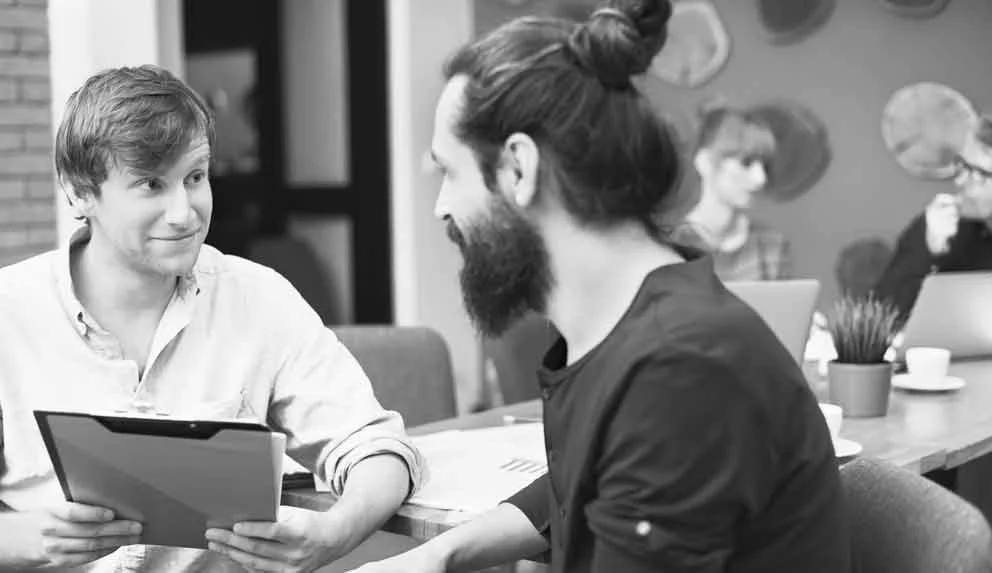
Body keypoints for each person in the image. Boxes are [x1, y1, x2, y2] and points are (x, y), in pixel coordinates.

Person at [351, 1, 849, 571]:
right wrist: (439, 555)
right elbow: (575, 487)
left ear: (518, 169)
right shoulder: (623, 326)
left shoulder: (680, 370)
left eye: (449, 172)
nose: (441, 207)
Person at [0, 65, 423, 572]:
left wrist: (336, 532)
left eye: (195, 177)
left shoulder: (257, 298)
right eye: (151, 184)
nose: (184, 213)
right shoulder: (9, 314)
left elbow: (376, 446)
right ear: (78, 191)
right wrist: (20, 539)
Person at [875, 110, 992, 319]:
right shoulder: (938, 224)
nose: (960, 181)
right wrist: (930, 252)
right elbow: (878, 319)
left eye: (980, 174)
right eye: (963, 165)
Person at [674, 100, 791, 281]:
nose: (761, 178)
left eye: (765, 166)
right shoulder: (668, 244)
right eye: (746, 162)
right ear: (704, 160)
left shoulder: (771, 243)